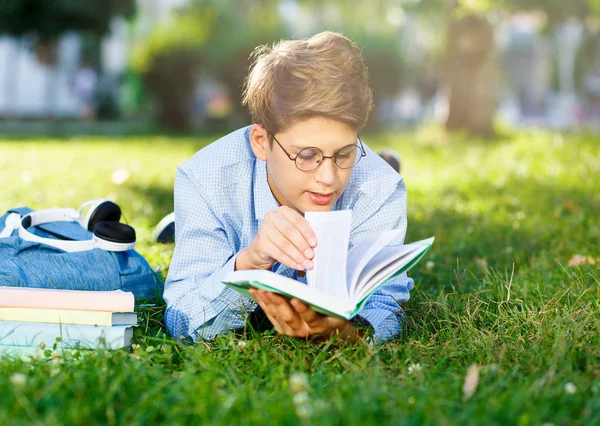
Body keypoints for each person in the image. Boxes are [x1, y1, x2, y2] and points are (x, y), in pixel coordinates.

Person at [164, 32, 414, 343]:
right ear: (261, 143)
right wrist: (250, 263)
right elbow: (181, 320)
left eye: (344, 154)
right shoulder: (204, 180)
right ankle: (183, 228)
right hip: (228, 204)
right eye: (307, 155)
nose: (328, 177)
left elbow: (386, 305)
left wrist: (345, 333)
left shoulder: (378, 186)